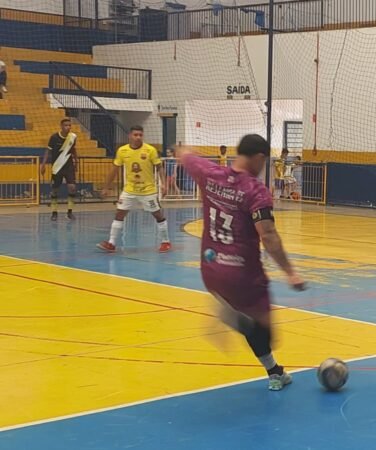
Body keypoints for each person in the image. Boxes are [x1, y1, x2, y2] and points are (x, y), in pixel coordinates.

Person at [176, 134, 305, 391]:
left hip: (210, 269)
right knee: (266, 332)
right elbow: (268, 235)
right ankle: (236, 320)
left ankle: (275, 373)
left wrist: (184, 149)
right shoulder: (256, 191)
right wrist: (291, 273)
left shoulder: (210, 173)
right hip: (242, 275)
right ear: (258, 158)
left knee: (254, 325)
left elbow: (185, 156)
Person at [96, 125, 170, 253]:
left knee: (157, 214)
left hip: (148, 190)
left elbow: (159, 167)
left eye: (140, 135)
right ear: (130, 136)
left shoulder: (150, 150)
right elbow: (114, 170)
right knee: (119, 213)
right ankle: (111, 243)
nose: (138, 137)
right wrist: (106, 187)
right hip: (129, 189)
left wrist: (164, 184)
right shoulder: (122, 151)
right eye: (135, 135)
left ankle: (166, 241)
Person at [40, 118, 78, 220]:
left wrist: (76, 162)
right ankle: (54, 212)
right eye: (66, 125)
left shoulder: (73, 137)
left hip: (69, 165)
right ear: (61, 126)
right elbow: (48, 151)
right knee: (55, 190)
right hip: (57, 166)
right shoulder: (54, 137)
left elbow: (73, 149)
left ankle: (70, 212)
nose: (68, 127)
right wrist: (43, 164)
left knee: (72, 187)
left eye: (69, 125)